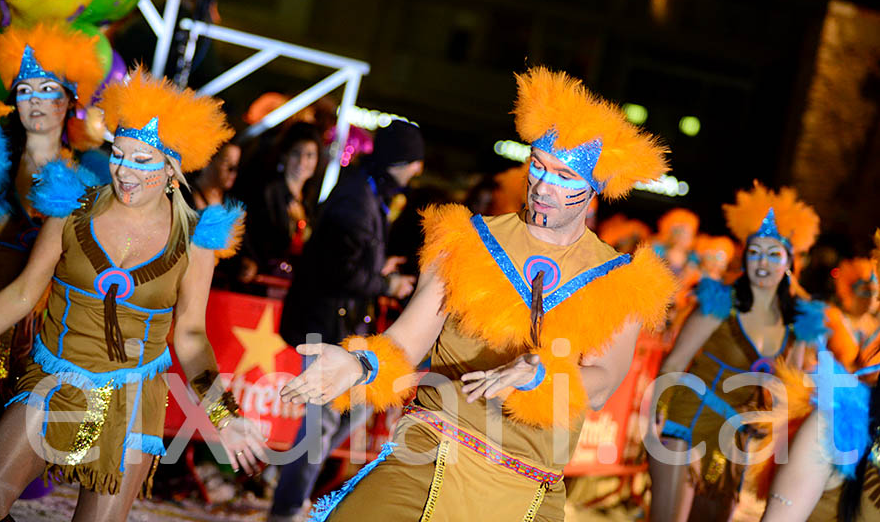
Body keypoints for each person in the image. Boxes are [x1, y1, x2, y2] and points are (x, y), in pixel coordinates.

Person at [279, 67, 676, 521]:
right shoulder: (466, 240)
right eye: (539, 167)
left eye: (565, 177)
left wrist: (542, 375)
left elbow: (604, 381)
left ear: (594, 189)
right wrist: (360, 363)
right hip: (431, 450)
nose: (544, 187)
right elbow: (407, 342)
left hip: (529, 483)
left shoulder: (622, 280)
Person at [0, 70, 267, 521]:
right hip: (53, 381)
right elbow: (22, 294)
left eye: (142, 160)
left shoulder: (196, 240)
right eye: (118, 154)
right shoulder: (72, 208)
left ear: (172, 167)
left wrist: (223, 416)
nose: (124, 171)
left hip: (131, 402)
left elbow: (190, 337)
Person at [268, 117, 424, 521]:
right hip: (326, 322)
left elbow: (349, 255)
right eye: (414, 162)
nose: (417, 172)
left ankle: (292, 486)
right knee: (321, 421)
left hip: (343, 321)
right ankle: (286, 508)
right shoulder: (359, 196)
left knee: (358, 407)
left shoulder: (370, 191)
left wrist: (378, 265)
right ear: (401, 160)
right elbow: (337, 268)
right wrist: (386, 284)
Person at [651, 183, 823, 522]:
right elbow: (675, 360)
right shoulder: (720, 301)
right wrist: (656, 413)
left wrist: (769, 422)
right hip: (688, 420)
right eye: (755, 251)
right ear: (744, 255)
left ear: (790, 260)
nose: (763, 262)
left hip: (737, 438)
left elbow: (789, 391)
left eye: (774, 254)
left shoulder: (798, 322)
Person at [0, 22, 106, 451]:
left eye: (48, 88)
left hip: (21, 330)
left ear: (70, 100)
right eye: (24, 89)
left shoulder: (84, 183)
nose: (35, 100)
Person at [761, 233, 880, 522]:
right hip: (838, 402)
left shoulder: (867, 330)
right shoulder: (831, 318)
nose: (868, 297)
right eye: (863, 290)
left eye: (870, 291)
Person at [241, 121, 322, 283]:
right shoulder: (266, 192)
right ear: (284, 156)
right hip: (260, 283)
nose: (302, 162)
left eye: (310, 155)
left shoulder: (308, 203)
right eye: (296, 153)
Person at [190, 140, 242, 210]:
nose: (233, 170)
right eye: (226, 161)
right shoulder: (185, 195)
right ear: (209, 160)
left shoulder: (233, 204)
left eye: (236, 164)